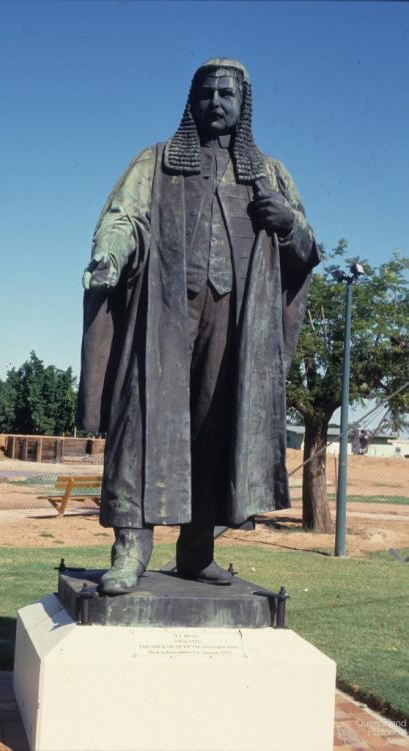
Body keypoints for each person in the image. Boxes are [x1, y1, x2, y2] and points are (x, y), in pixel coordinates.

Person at [77, 58, 320, 595]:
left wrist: (289, 227)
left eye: (227, 94)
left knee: (218, 428)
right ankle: (130, 549)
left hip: (235, 321)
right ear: (192, 100)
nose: (216, 102)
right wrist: (110, 254)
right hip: (163, 312)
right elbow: (124, 217)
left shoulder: (270, 173)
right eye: (207, 93)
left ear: (244, 103)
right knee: (142, 422)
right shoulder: (157, 161)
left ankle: (197, 552)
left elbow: (307, 247)